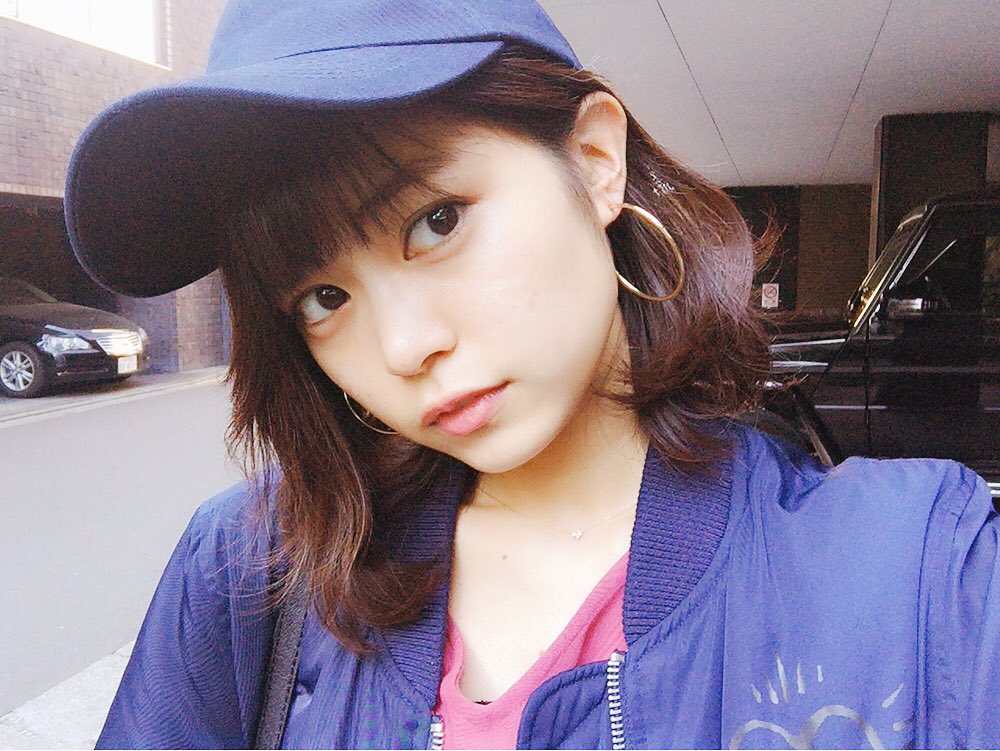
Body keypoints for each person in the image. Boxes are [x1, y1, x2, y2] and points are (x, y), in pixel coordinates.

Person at [64, 1, 999, 749]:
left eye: (436, 221)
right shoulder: (253, 570)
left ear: (593, 161)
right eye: (323, 297)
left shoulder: (917, 575)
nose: (404, 346)